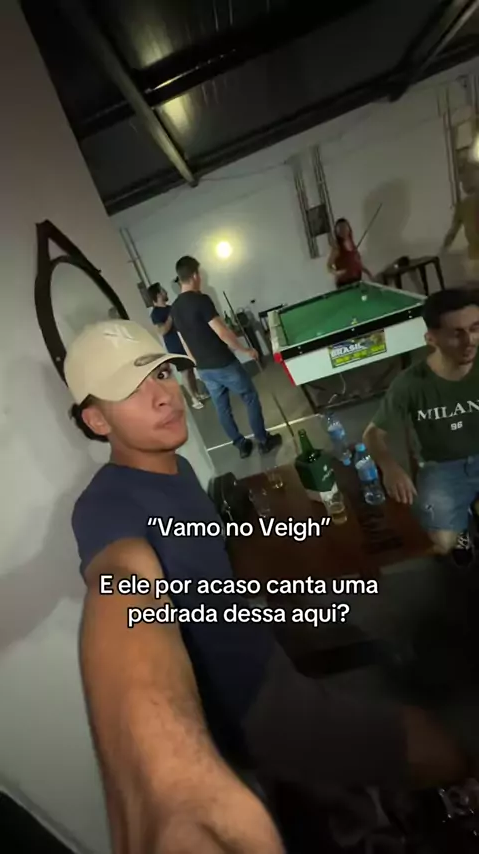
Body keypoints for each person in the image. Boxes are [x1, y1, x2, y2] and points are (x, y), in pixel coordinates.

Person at [66, 319, 466, 851]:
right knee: (438, 746)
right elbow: (122, 592)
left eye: (161, 373)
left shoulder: (175, 467)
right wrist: (165, 784)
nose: (163, 395)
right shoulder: (104, 506)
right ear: (97, 419)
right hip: (252, 705)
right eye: (130, 389)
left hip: (265, 650)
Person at [363, 288, 479, 561]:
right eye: (456, 333)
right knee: (442, 543)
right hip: (442, 468)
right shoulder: (410, 384)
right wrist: (390, 468)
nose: (469, 341)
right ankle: (461, 524)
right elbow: (372, 434)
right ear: (431, 339)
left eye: (475, 328)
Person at [171, 255, 281, 458]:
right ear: (194, 275)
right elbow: (221, 332)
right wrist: (245, 350)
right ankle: (263, 441)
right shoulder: (201, 300)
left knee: (222, 408)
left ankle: (241, 445)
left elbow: (183, 340)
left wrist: (195, 363)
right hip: (223, 362)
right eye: (199, 274)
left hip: (204, 368)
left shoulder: (175, 308)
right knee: (249, 396)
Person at [148, 282, 208, 410]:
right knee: (185, 372)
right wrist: (171, 316)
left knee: (190, 370)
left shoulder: (171, 307)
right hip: (175, 347)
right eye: (163, 290)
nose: (166, 292)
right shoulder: (156, 313)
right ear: (158, 295)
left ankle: (197, 394)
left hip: (186, 343)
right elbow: (162, 331)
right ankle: (193, 399)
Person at [442, 165, 479, 283]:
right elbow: (454, 229)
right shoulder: (463, 205)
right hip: (474, 259)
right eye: (463, 181)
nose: (464, 183)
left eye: (469, 178)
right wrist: (445, 246)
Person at [327, 218, 373, 288]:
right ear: (336, 232)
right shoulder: (337, 248)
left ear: (349, 228)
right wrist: (337, 273)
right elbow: (329, 266)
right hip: (345, 283)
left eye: (344, 227)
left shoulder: (352, 244)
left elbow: (357, 263)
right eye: (340, 229)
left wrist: (368, 272)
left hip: (357, 280)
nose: (343, 230)